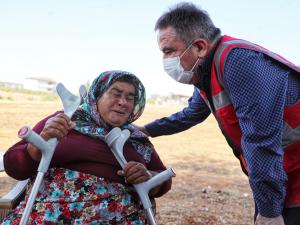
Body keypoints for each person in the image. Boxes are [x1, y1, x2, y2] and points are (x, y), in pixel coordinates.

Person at [138, 2, 300, 225]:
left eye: (169, 51)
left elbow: (260, 141)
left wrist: (270, 211)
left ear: (200, 47)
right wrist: (146, 129)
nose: (166, 61)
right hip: (281, 172)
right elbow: (191, 113)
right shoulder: (206, 74)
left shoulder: (237, 62)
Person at [2, 70, 172, 224]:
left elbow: (163, 180)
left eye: (130, 97)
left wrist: (148, 176)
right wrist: (37, 146)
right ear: (97, 95)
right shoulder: (64, 120)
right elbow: (14, 166)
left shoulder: (136, 139)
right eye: (116, 93)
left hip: (119, 216)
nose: (123, 102)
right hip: (47, 213)